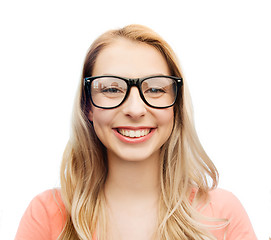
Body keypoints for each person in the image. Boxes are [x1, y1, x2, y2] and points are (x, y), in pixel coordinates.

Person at [15, 24, 257, 240]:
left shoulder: (223, 215)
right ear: (87, 106)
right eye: (111, 89)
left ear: (176, 106)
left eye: (154, 89)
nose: (134, 109)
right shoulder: (46, 214)